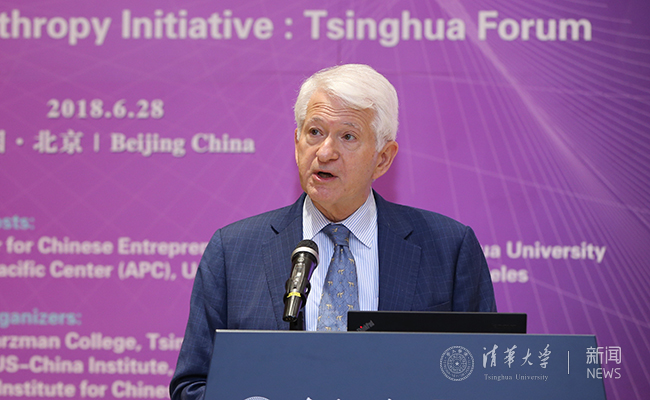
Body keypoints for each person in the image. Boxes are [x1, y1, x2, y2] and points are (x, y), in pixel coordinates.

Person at [169, 64, 496, 400]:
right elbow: (191, 385)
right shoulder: (233, 251)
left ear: (383, 158)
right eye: (315, 132)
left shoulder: (449, 250)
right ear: (297, 143)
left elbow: (486, 383)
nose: (325, 152)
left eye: (348, 136)